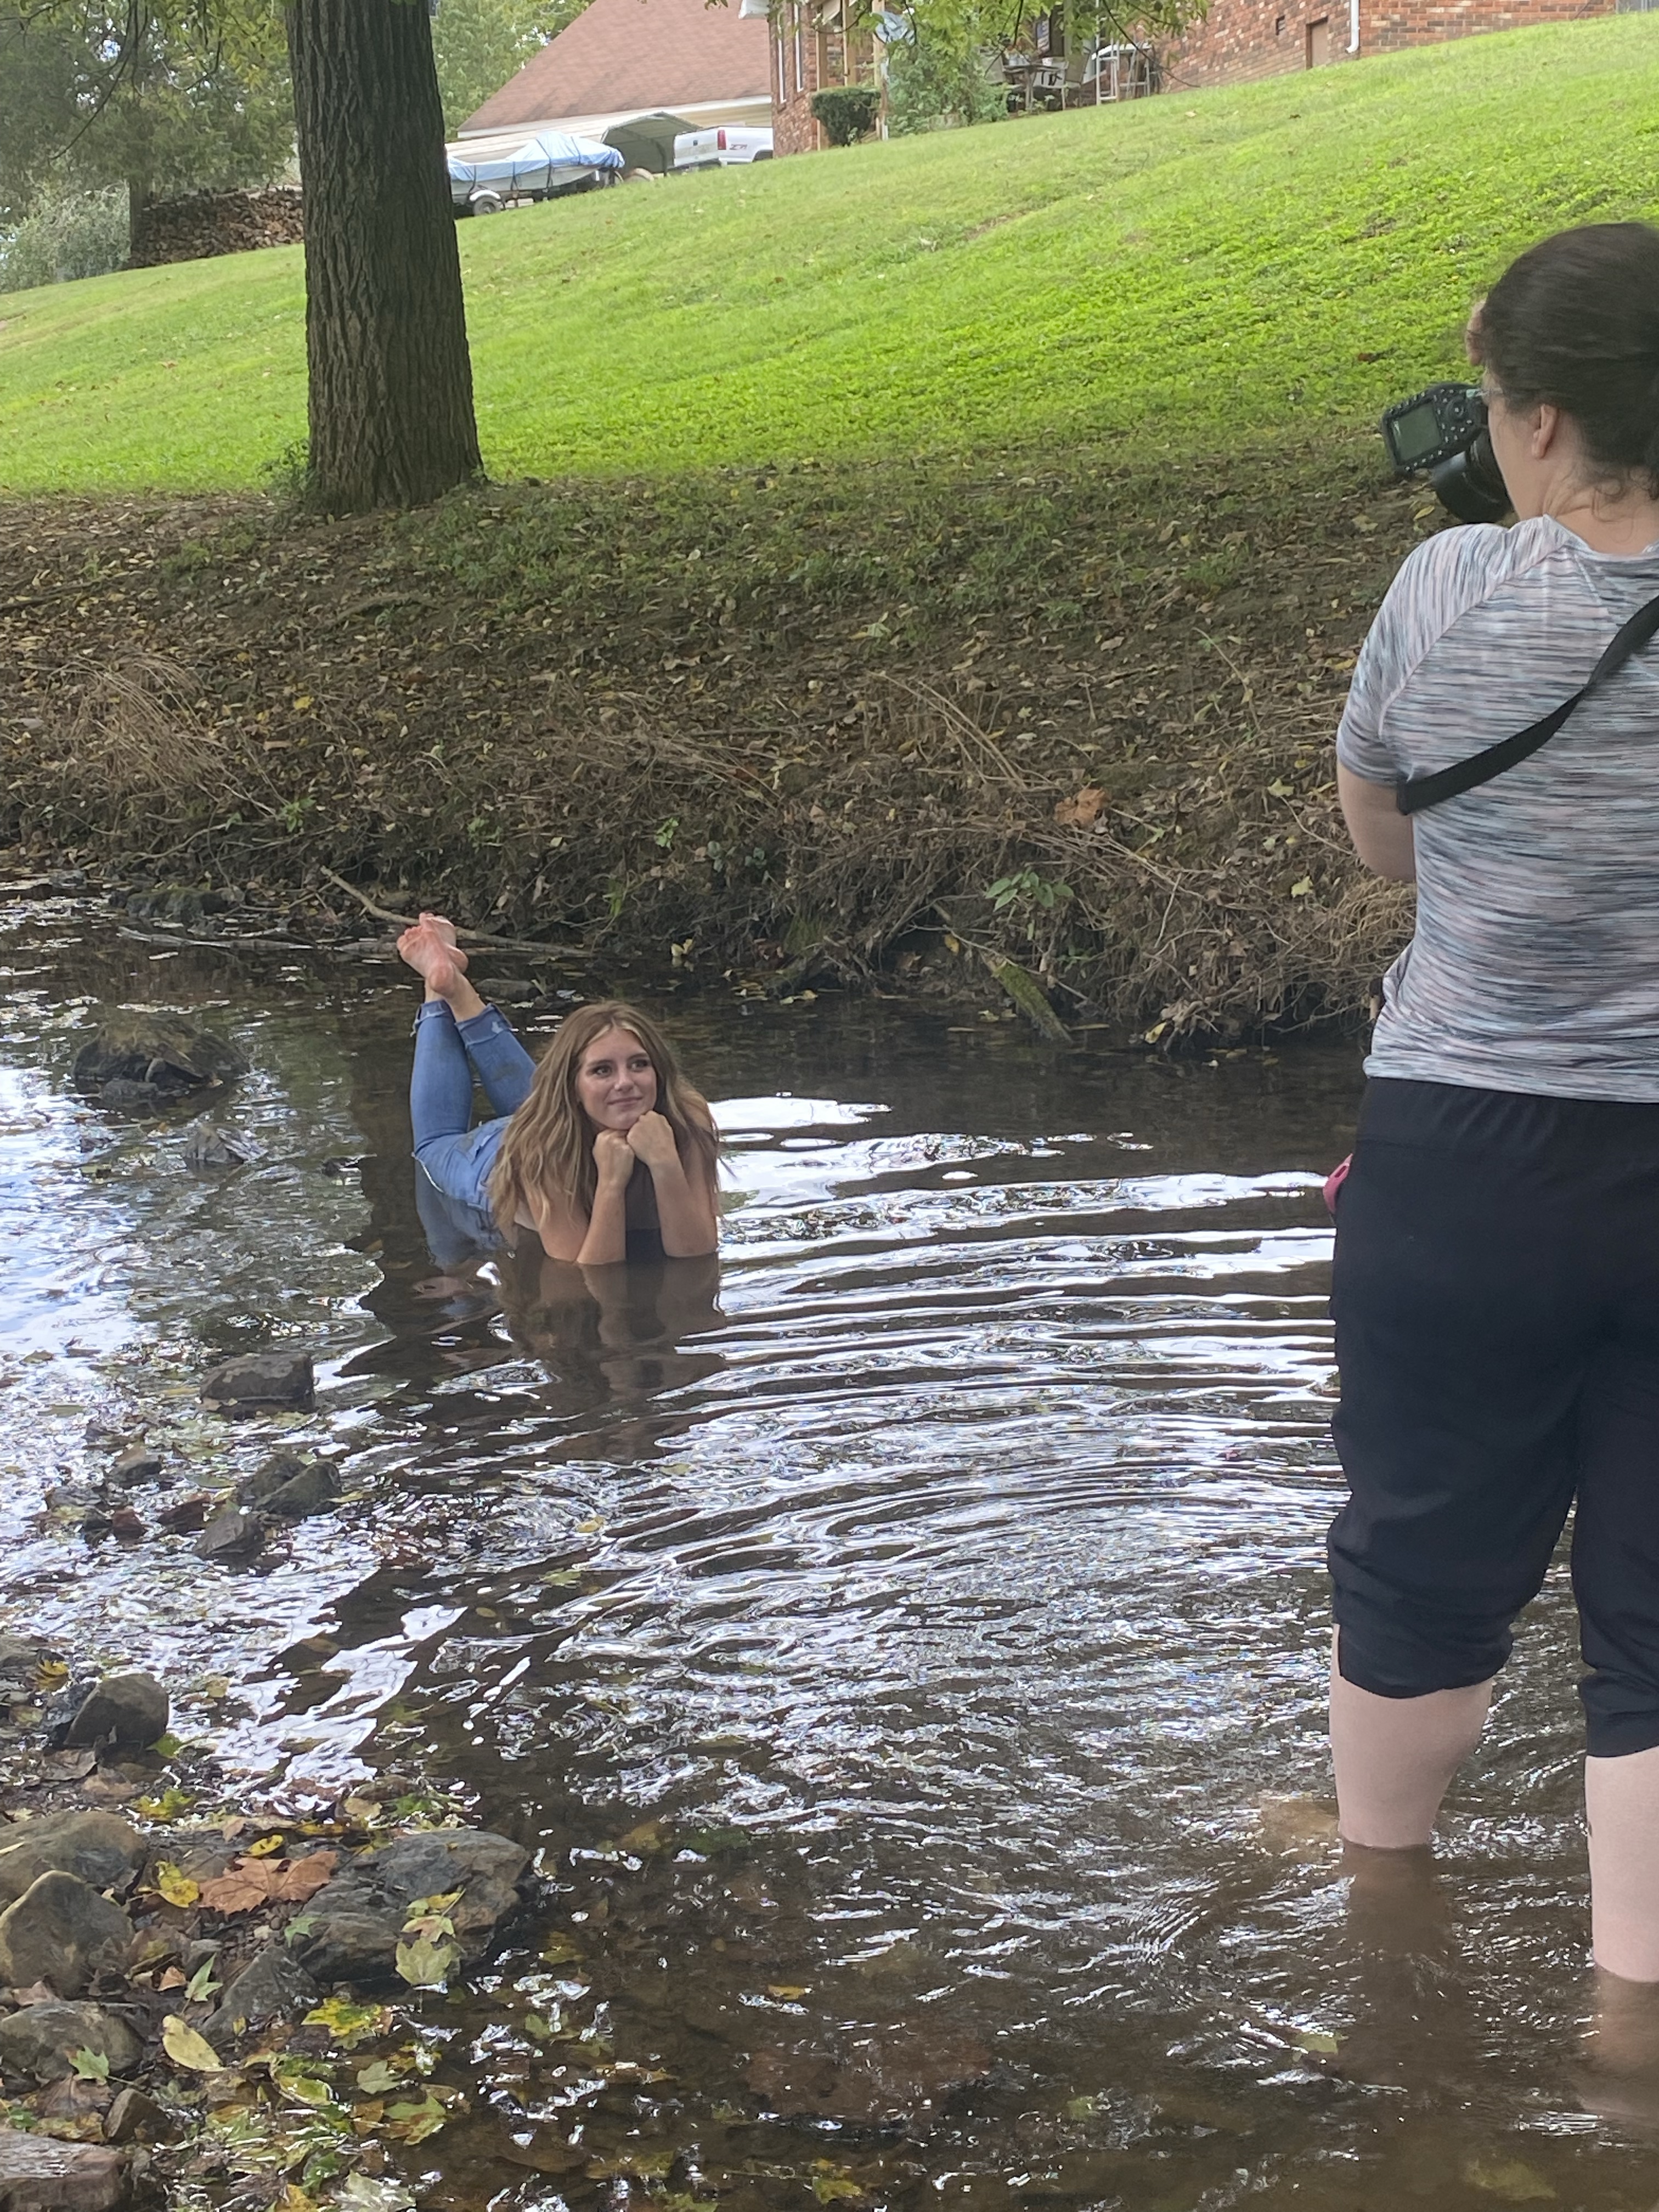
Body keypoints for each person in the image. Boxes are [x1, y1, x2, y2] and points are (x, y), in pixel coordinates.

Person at [1329, 222, 1659, 1985]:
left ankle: (1385, 1932)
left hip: (1466, 1158)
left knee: (1422, 1560)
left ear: (1536, 421)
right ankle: (1632, 2031)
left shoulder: (1446, 591)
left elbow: (1384, 845)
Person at [399, 913, 719, 1265]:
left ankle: (453, 985)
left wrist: (665, 1162)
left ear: (659, 1071)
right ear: (573, 1087)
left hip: (553, 1115)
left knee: (539, 1102)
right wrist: (611, 1183)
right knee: (432, 1147)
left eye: (639, 1064)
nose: (625, 1082)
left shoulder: (688, 1118)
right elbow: (591, 1272)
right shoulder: (543, 1147)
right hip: (492, 1160)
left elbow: (697, 1251)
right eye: (602, 1070)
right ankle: (437, 991)